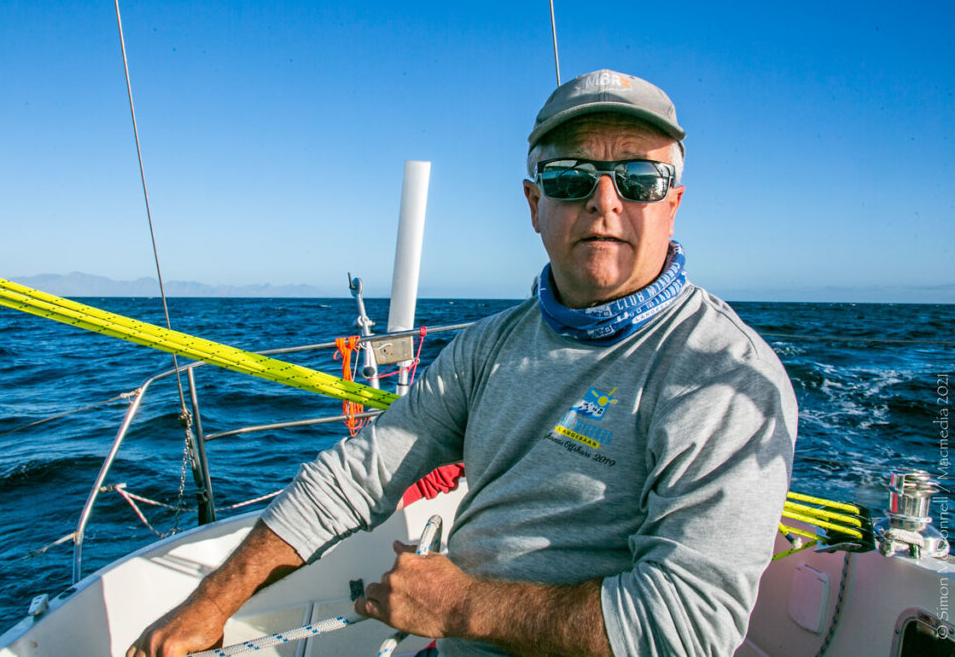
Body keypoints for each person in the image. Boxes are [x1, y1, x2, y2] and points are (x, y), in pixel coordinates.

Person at [128, 69, 797, 657]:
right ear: (535, 206)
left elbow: (686, 627)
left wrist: (459, 606)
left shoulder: (724, 376)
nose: (604, 200)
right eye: (570, 177)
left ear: (673, 204)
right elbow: (361, 472)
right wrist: (212, 600)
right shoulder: (489, 346)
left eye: (640, 179)